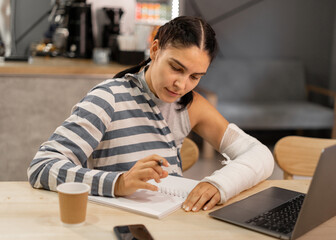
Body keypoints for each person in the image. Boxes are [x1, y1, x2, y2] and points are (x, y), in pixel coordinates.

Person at [27, 16, 274, 212]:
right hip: (113, 222)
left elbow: (259, 154)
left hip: (173, 220)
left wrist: (220, 184)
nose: (182, 85)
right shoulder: (108, 98)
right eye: (176, 68)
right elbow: (41, 166)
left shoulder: (191, 105)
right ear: (155, 49)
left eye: (195, 77)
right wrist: (119, 183)